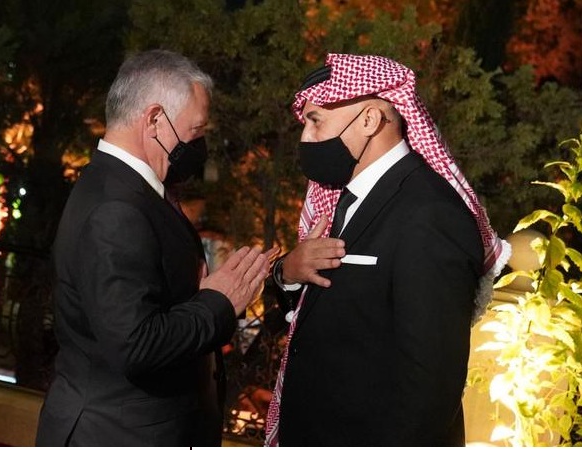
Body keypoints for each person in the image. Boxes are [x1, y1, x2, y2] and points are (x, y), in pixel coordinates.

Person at [264, 53, 511, 446]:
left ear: (369, 120)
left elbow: (429, 391)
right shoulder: (346, 200)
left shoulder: (430, 213)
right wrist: (286, 274)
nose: (305, 138)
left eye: (316, 121)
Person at [35, 49, 275, 447]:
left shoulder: (128, 189)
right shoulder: (116, 208)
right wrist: (218, 301)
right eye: (196, 130)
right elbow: (136, 346)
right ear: (155, 120)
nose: (200, 144)